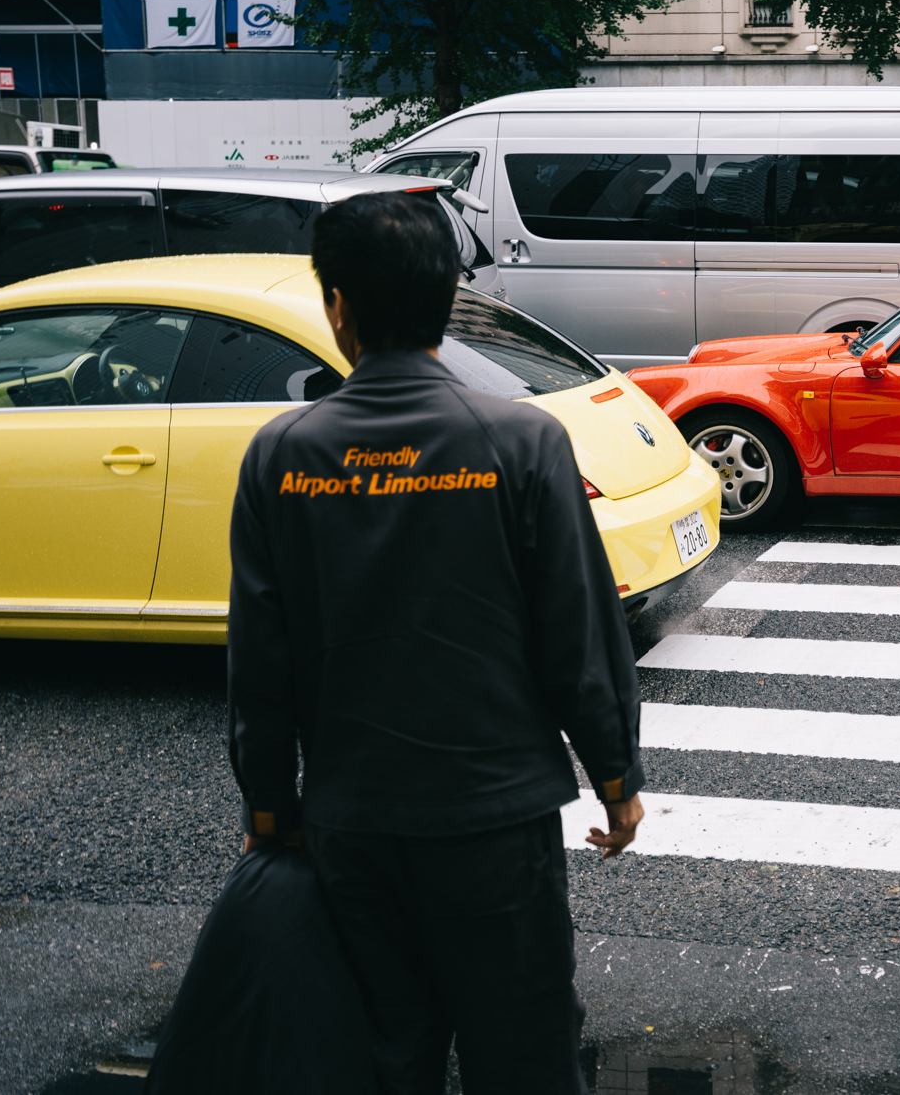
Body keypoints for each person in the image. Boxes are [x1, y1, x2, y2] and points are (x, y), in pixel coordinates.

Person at [227, 191, 645, 1095]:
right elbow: (579, 636)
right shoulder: (523, 440)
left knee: (384, 1048)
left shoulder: (280, 454)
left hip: (352, 821)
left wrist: (270, 811)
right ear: (450, 296)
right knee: (524, 1050)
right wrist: (616, 779)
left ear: (336, 304)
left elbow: (259, 663)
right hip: (498, 822)